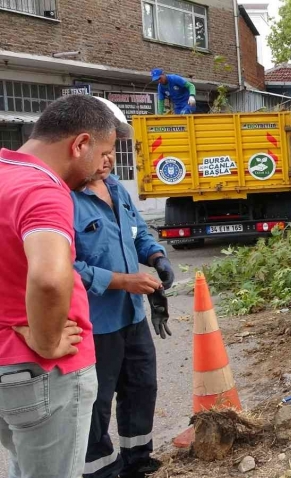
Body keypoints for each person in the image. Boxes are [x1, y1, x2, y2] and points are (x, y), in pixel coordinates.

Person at [0, 94, 129, 478]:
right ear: (80, 144)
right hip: (43, 372)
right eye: (103, 151)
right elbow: (49, 278)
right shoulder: (43, 190)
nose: (102, 165)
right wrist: (45, 338)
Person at [73, 101, 175, 478]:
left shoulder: (116, 189)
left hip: (131, 315)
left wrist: (156, 257)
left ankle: (137, 459)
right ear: (80, 146)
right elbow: (64, 268)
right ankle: (100, 469)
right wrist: (120, 281)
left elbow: (138, 234)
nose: (110, 160)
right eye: (104, 151)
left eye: (113, 151)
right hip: (94, 323)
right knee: (96, 401)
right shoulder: (63, 199)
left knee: (141, 386)